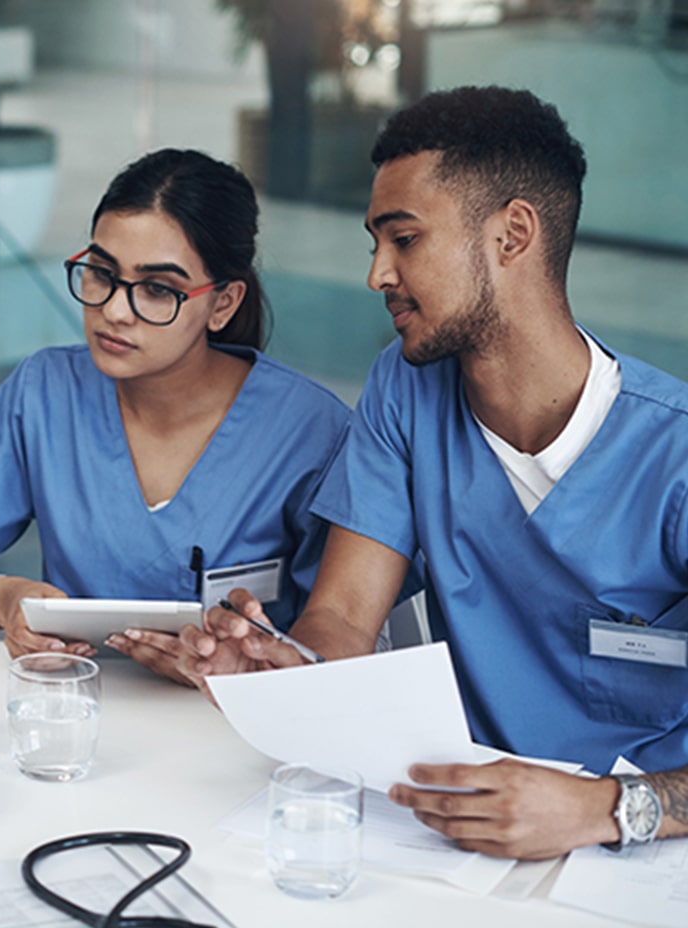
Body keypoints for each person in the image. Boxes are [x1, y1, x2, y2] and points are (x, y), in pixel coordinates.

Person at [180, 86, 688, 859]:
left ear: (512, 234)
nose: (377, 274)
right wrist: (289, 667)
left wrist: (611, 810)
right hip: (451, 824)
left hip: (641, 847)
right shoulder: (406, 389)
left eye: (405, 239)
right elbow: (342, 617)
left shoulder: (673, 452)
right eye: (375, 242)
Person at [0, 149, 350, 683]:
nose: (114, 310)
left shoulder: (310, 432)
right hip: (74, 707)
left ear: (223, 304)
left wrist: (246, 667)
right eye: (102, 273)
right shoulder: (45, 393)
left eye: (158, 290)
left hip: (235, 722)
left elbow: (350, 636)